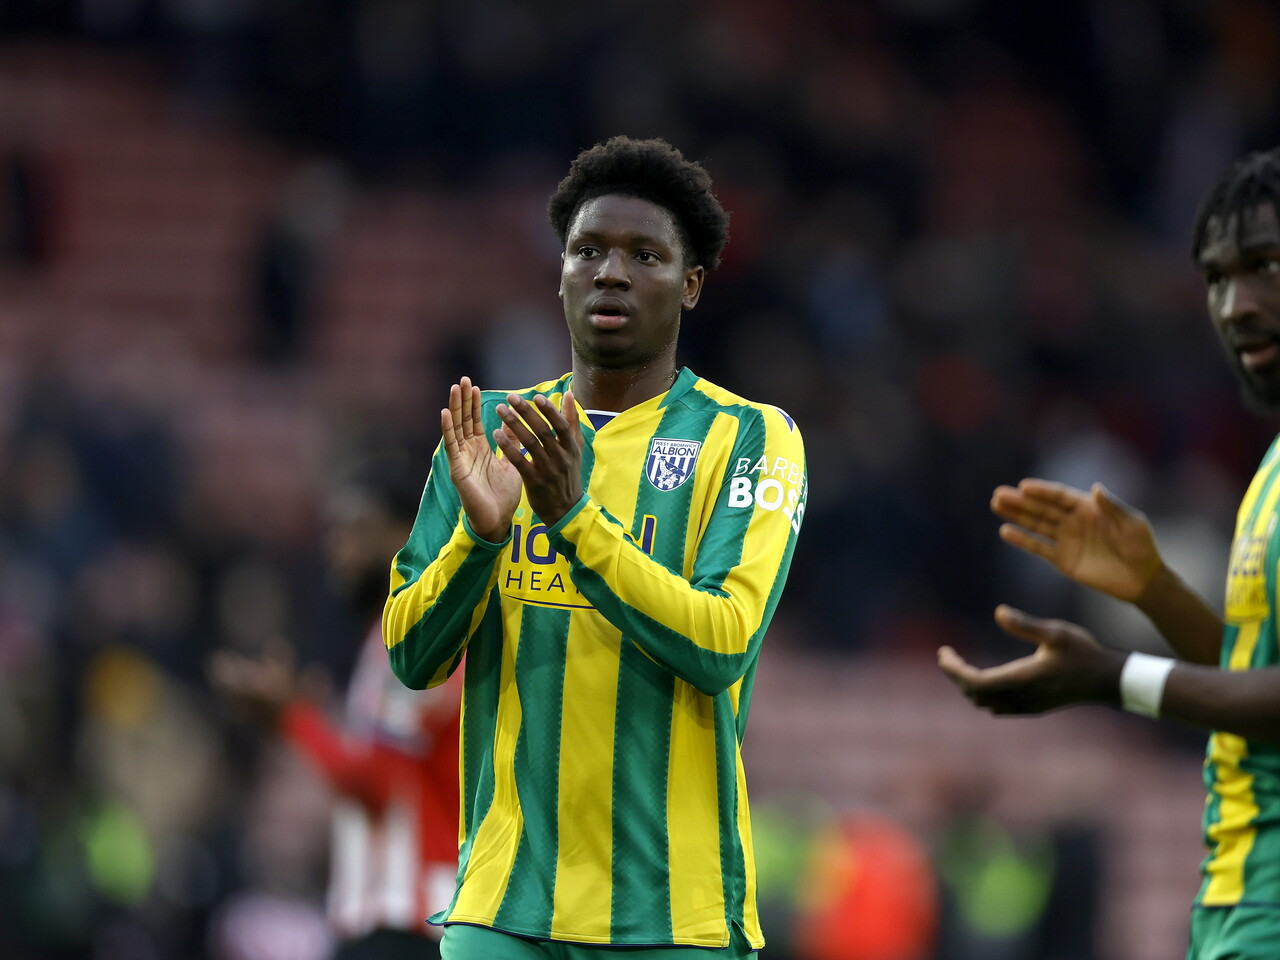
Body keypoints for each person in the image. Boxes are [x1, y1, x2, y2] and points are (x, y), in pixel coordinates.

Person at [382, 136, 807, 959]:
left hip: (673, 919)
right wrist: (481, 536)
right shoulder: (487, 435)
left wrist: (574, 521)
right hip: (502, 910)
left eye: (644, 255)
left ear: (690, 286)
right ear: (560, 274)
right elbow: (411, 656)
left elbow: (722, 643)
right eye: (588, 251)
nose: (610, 272)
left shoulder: (750, 438)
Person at [937, 146, 1280, 959]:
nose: (1234, 306)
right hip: (1237, 901)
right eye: (1217, 279)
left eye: (1263, 266)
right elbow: (1253, 674)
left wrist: (1115, 678)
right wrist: (1154, 589)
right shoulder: (1268, 469)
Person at [211, 454, 462, 960]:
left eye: (357, 528)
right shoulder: (389, 639)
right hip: (402, 917)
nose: (338, 548)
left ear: (409, 532)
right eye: (335, 531)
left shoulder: (417, 638)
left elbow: (374, 781)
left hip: (407, 916)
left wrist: (292, 718)